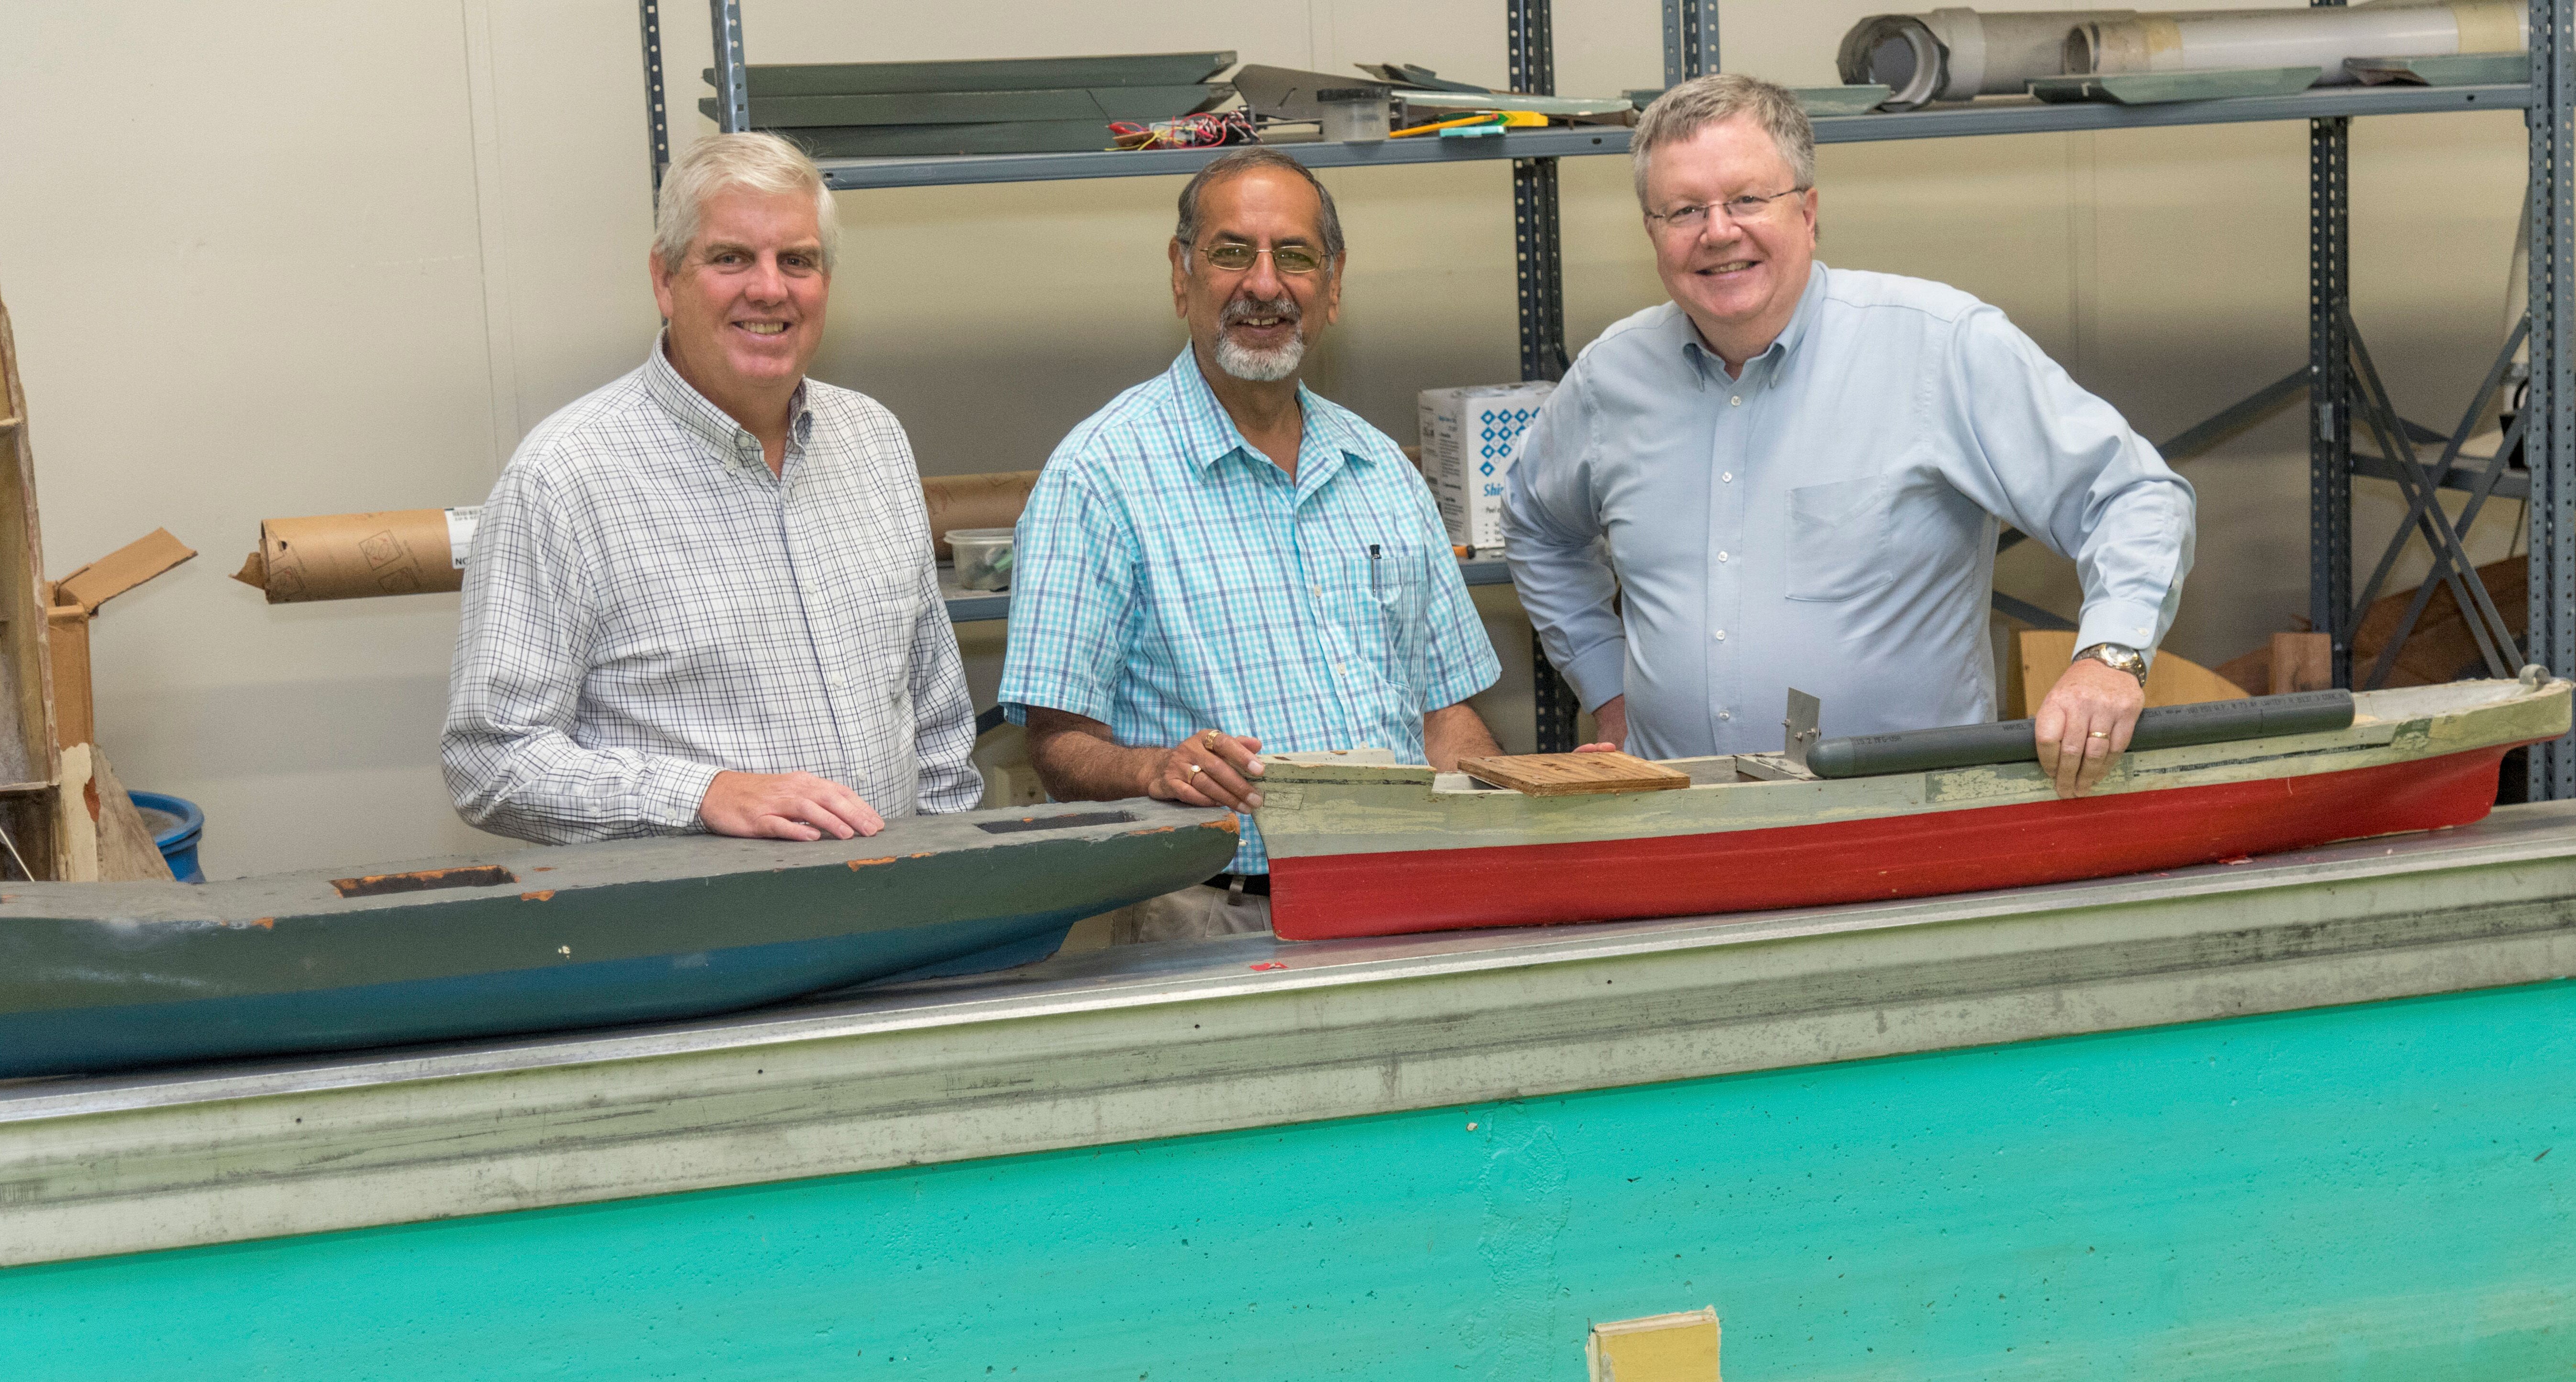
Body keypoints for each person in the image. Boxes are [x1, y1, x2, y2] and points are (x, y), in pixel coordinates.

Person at [1504, 73, 2195, 799]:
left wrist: (2109, 658)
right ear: (1652, 232)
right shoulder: (1610, 379)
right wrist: (1608, 684)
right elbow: (1536, 524)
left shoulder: (1940, 348)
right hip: (1681, 825)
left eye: (1747, 199)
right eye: (1683, 210)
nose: (1717, 232)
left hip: (1907, 823)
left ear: (1808, 212)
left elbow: (2135, 497)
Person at [1000, 148, 1503, 942]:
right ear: (1181, 274)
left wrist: (1508, 799)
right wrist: (1155, 767)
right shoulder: (1098, 477)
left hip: (1405, 898)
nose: (1264, 285)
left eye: (1294, 257)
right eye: (1232, 252)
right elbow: (1058, 744)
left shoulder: (1381, 470)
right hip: (1211, 913)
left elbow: (1446, 715)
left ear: (1332, 286)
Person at [445, 132, 980, 844]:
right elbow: (492, 759)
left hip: (905, 926)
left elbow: (937, 720)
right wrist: (700, 794)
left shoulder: (874, 441)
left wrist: (951, 887)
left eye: (798, 261)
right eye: (731, 258)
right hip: (699, 945)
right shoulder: (566, 477)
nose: (769, 288)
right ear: (666, 280)